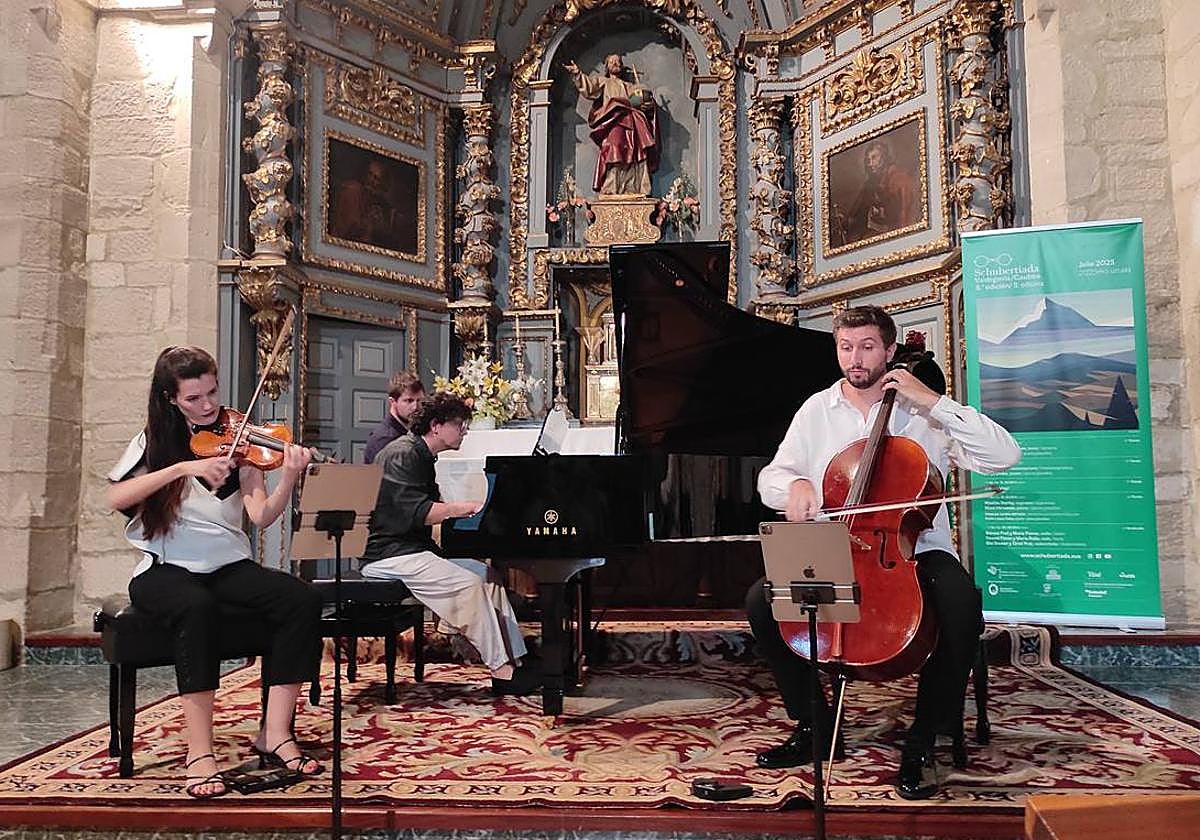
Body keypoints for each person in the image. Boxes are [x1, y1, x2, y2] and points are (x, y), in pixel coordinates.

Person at [745, 305, 1021, 800]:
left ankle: (925, 737)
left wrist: (934, 402)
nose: (855, 357)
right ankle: (815, 727)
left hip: (914, 549)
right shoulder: (816, 410)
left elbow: (1005, 456)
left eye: (867, 346)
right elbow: (771, 478)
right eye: (846, 346)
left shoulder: (923, 414)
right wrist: (798, 487)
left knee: (959, 602)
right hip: (837, 544)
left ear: (890, 351)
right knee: (762, 599)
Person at [106, 347, 324, 799]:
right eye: (193, 398)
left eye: (212, 392)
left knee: (300, 599)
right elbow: (116, 497)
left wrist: (287, 478)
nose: (207, 406)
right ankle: (200, 753)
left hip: (226, 564)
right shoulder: (154, 441)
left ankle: (277, 733)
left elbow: (261, 516)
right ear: (171, 398)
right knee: (196, 607)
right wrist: (185, 466)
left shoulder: (238, 437)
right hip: (165, 568)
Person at [360, 392, 540, 695]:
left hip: (412, 550)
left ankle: (515, 657)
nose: (465, 431)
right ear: (436, 426)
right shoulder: (404, 454)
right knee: (469, 584)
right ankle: (501, 670)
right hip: (389, 555)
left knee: (488, 577)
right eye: (460, 424)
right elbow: (420, 512)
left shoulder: (421, 454)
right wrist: (466, 507)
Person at [564, 54, 660, 196]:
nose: (616, 63)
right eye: (612, 61)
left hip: (633, 122)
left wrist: (648, 105)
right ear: (607, 67)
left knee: (636, 153)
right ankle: (612, 187)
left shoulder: (631, 87)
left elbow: (642, 102)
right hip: (614, 121)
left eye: (618, 61)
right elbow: (589, 87)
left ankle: (637, 187)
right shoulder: (605, 82)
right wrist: (578, 73)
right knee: (614, 150)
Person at [846, 139, 920, 243]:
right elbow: (857, 212)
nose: (870, 164)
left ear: (884, 157)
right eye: (868, 160)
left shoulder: (899, 180)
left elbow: (906, 218)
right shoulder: (871, 182)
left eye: (874, 158)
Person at [363, 370, 426, 464]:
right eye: (409, 401)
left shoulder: (412, 430)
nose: (416, 407)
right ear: (393, 402)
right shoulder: (384, 438)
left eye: (420, 401)